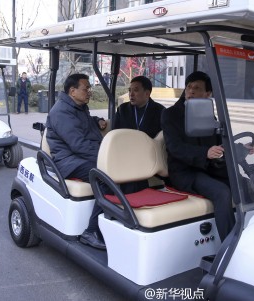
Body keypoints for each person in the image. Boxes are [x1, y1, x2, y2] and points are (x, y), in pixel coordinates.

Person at [161, 71, 254, 242]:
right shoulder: (171, 115)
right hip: (185, 171)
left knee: (245, 184)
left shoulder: (207, 114)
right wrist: (204, 153)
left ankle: (250, 236)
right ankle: (229, 247)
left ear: (207, 94)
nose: (190, 91)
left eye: (196, 88)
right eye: (189, 87)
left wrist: (243, 148)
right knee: (222, 192)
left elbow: (221, 143)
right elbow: (175, 147)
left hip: (209, 168)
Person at [46, 73, 108, 250]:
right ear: (72, 91)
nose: (89, 92)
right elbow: (79, 145)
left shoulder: (78, 107)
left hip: (80, 157)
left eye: (89, 88)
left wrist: (97, 121)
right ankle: (91, 231)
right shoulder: (61, 112)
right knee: (105, 178)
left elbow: (83, 125)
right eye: (86, 88)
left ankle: (112, 223)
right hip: (69, 161)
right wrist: (107, 158)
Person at [113, 75, 165, 192]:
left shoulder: (160, 111)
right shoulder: (123, 110)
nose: (131, 94)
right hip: (126, 154)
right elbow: (115, 135)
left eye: (136, 90)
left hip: (150, 155)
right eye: (130, 90)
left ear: (147, 93)